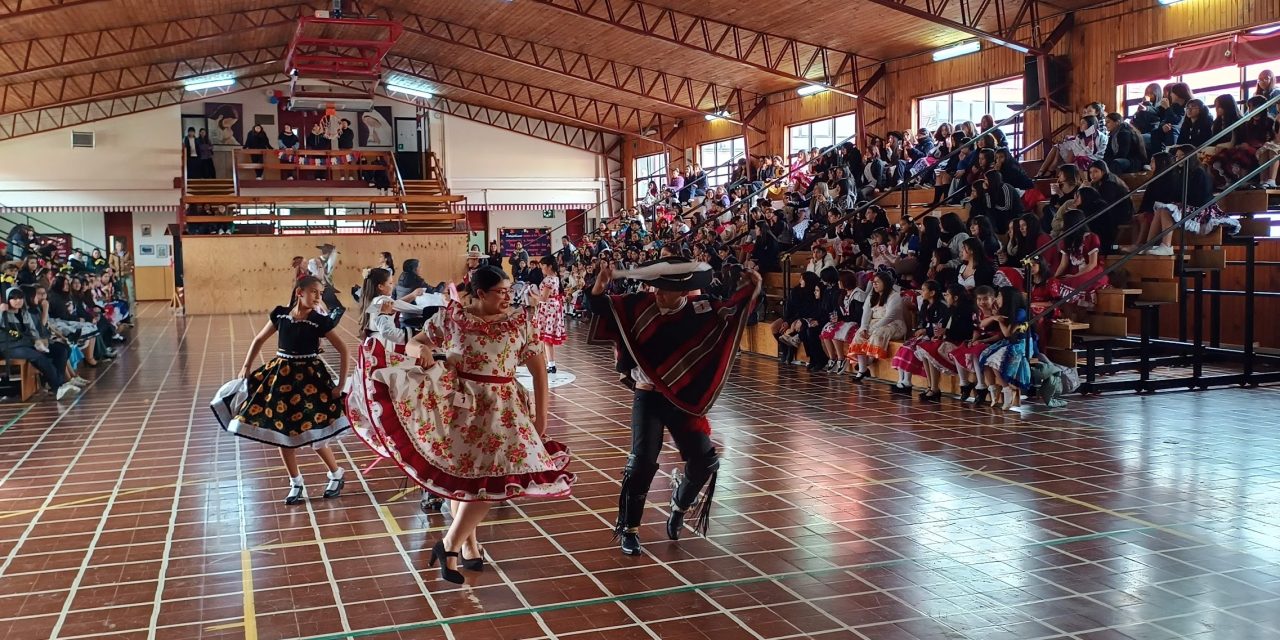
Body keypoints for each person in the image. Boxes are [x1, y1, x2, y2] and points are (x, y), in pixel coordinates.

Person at [346, 265, 575, 584]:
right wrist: (422, 348)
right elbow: (415, 344)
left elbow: (538, 372)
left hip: (504, 410)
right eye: (501, 292)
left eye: (510, 291)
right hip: (459, 406)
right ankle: (468, 544)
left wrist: (541, 416)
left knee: (491, 481)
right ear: (480, 293)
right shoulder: (451, 318)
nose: (508, 298)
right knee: (462, 477)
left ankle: (450, 544)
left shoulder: (519, 322)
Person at [588, 256, 762, 556]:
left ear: (683, 293)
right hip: (649, 397)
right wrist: (599, 287)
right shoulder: (639, 305)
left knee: (705, 461)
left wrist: (752, 290)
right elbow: (602, 307)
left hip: (682, 400)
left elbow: (734, 312)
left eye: (664, 289)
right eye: (656, 286)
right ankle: (629, 529)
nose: (656, 292)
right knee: (641, 463)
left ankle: (680, 504)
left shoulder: (701, 310)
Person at [224, 276, 350, 504]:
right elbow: (259, 339)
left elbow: (343, 350)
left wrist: (340, 384)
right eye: (313, 292)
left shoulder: (318, 321)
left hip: (309, 381)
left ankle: (336, 472)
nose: (318, 297)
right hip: (281, 379)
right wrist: (245, 366)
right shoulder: (281, 315)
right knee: (283, 433)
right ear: (299, 292)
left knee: (314, 431)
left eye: (320, 293)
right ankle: (296, 482)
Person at [528, 256, 566, 374]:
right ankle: (550, 364)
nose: (542, 269)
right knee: (546, 338)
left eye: (543, 266)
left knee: (545, 337)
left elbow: (543, 298)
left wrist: (532, 294)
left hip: (548, 309)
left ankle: (548, 363)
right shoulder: (555, 278)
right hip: (552, 307)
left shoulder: (549, 280)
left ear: (549, 266)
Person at [308, 244, 344, 321]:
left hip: (325, 289)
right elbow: (316, 277)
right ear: (329, 253)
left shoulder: (328, 263)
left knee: (336, 309)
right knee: (337, 309)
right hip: (319, 290)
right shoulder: (313, 262)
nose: (335, 256)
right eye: (333, 254)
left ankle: (327, 324)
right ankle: (327, 325)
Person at [108, 238, 135, 312]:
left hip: (127, 272)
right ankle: (123, 301)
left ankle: (132, 302)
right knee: (121, 288)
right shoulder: (113, 254)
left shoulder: (127, 252)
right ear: (115, 246)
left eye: (120, 245)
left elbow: (132, 261)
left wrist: (128, 263)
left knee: (131, 287)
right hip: (118, 274)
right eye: (117, 245)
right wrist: (116, 268)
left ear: (122, 246)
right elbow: (110, 263)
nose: (119, 247)